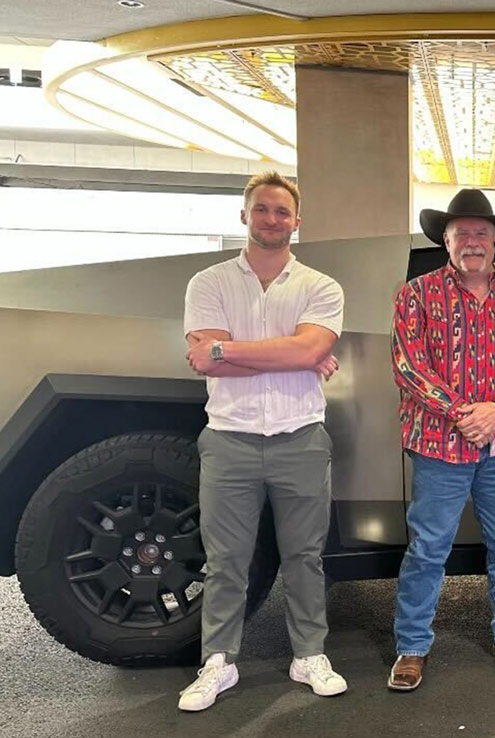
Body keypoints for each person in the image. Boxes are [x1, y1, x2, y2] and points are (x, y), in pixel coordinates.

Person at [179, 171, 347, 711]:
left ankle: (309, 654)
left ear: (297, 221)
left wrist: (231, 350)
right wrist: (296, 352)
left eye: (282, 211)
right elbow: (207, 360)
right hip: (229, 439)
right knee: (226, 560)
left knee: (305, 555)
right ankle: (218, 662)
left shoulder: (321, 286)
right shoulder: (208, 283)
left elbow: (225, 354)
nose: (272, 218)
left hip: (301, 437)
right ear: (245, 215)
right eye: (262, 209)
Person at [388, 188, 495, 691]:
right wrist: (465, 414)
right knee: (427, 548)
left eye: (482, 232)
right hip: (439, 446)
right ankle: (411, 648)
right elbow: (407, 365)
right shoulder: (416, 294)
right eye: (463, 232)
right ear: (446, 239)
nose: (473, 241)